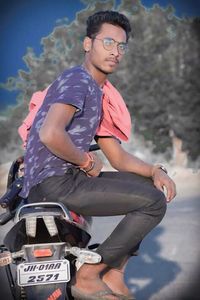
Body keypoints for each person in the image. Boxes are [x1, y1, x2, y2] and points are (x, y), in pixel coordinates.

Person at [20, 10, 176, 300]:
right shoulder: (78, 80)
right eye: (107, 42)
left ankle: (115, 275)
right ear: (87, 44)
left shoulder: (96, 91)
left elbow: (118, 158)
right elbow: (50, 134)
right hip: (56, 183)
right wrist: (86, 161)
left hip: (62, 180)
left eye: (121, 46)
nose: (115, 52)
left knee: (148, 187)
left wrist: (155, 170)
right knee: (153, 203)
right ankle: (90, 275)